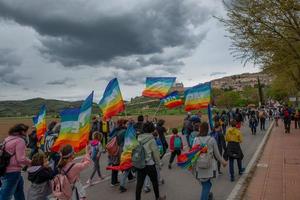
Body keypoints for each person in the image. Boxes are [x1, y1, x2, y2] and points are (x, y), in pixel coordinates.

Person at [193, 122, 227, 200]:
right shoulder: (212, 139)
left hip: (199, 166)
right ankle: (206, 196)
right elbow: (217, 155)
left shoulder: (196, 139)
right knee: (207, 185)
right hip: (210, 166)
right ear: (208, 129)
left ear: (200, 129)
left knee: (205, 184)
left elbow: (193, 154)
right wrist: (223, 162)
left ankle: (208, 196)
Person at [0, 124, 31, 200]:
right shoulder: (20, 141)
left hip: (4, 169)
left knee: (19, 192)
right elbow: (21, 159)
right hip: (13, 171)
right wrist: (32, 163)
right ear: (22, 132)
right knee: (6, 195)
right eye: (26, 132)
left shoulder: (7, 139)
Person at [135, 121, 166, 200]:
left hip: (140, 164)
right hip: (149, 164)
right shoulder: (151, 139)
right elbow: (156, 153)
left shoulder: (138, 137)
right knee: (155, 182)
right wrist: (159, 163)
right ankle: (157, 197)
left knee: (139, 184)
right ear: (151, 129)